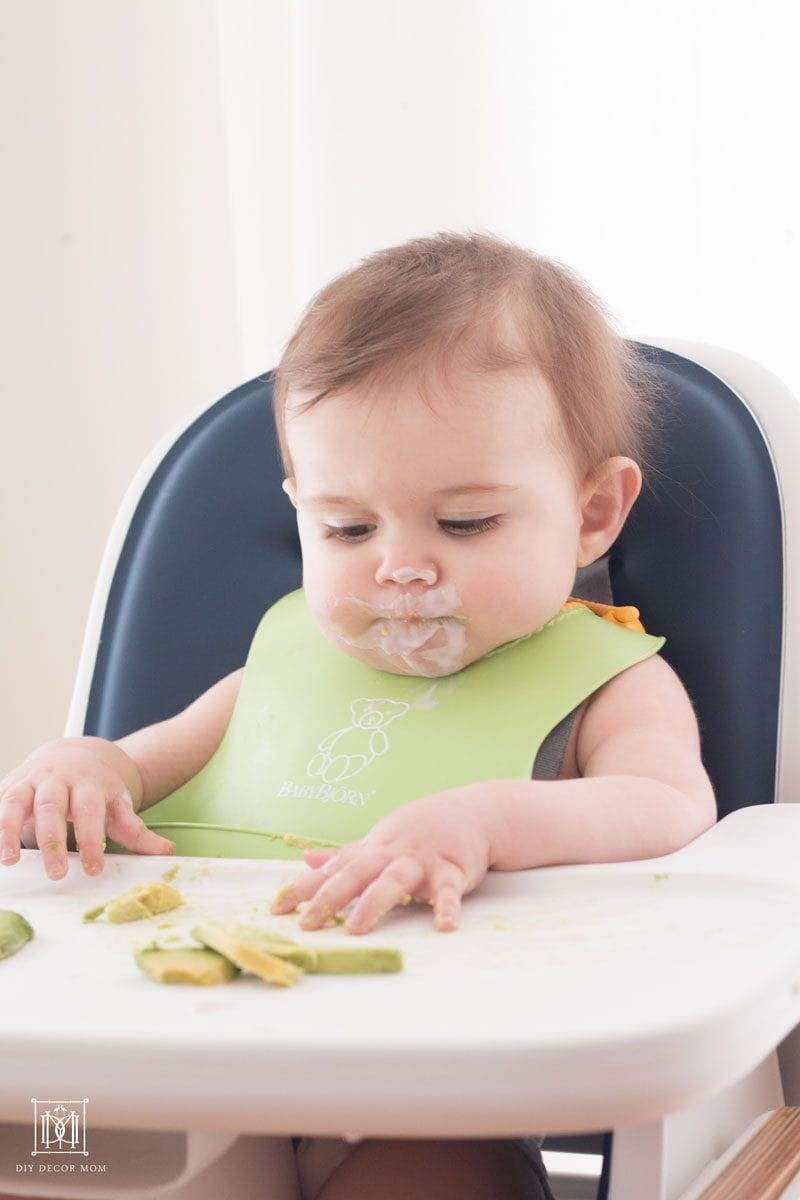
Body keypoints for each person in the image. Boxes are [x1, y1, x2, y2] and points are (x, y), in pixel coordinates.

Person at [0, 231, 716, 1200]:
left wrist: (484, 823)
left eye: (463, 523)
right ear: (296, 511)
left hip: (424, 1089)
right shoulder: (281, 665)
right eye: (346, 528)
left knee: (439, 1179)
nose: (399, 566)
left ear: (592, 513)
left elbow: (668, 803)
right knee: (46, 1158)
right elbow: (136, 765)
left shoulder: (601, 678)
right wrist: (79, 767)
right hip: (161, 1064)